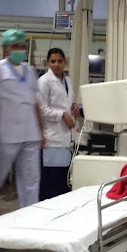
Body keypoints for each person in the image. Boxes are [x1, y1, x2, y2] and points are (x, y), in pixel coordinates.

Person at [0, 29, 44, 217]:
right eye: (15, 46)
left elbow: (35, 104)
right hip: (4, 136)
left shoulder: (30, 71)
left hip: (30, 135)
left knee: (31, 182)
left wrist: (41, 132)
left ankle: (28, 221)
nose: (19, 50)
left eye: (22, 46)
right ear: (5, 48)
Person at [38, 47, 78, 200]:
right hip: (52, 139)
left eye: (60, 61)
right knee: (52, 183)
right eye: (53, 61)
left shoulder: (67, 80)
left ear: (65, 62)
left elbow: (67, 100)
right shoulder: (44, 82)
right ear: (47, 62)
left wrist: (73, 105)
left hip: (66, 138)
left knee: (64, 180)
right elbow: (40, 109)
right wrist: (62, 115)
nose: (56, 64)